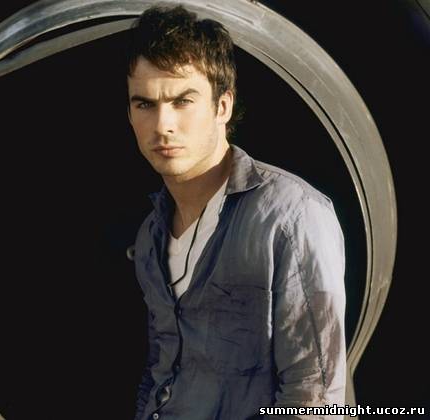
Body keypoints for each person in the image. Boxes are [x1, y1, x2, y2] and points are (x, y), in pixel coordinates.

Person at [126, 5, 346, 420]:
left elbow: (315, 399)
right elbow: (159, 373)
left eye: (182, 101)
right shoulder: (150, 234)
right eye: (145, 104)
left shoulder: (290, 218)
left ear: (222, 106)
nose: (162, 125)